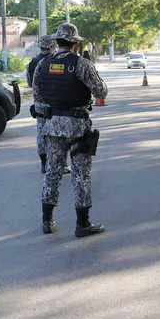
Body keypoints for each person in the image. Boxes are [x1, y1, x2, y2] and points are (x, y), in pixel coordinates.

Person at [33, 23, 108, 238]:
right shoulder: (81, 64)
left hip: (52, 126)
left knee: (52, 172)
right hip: (77, 127)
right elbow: (101, 91)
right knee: (81, 174)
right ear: (75, 43)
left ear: (57, 42)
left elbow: (37, 95)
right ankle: (82, 224)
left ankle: (47, 221)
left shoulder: (43, 65)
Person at [27, 35, 55, 174]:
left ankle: (44, 164)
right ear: (51, 46)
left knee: (41, 133)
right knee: (56, 134)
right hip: (54, 103)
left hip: (39, 103)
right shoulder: (54, 61)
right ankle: (57, 163)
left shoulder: (33, 62)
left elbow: (29, 82)